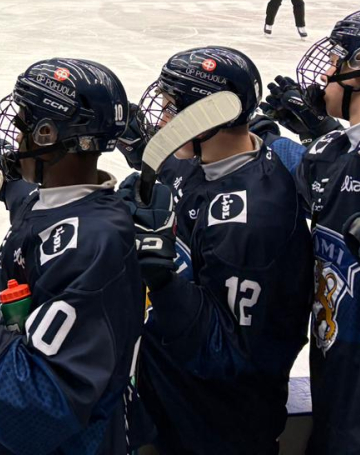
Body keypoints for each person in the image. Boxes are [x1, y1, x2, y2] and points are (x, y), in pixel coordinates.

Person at [0, 59, 143, 455]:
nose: (15, 137)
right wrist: (7, 183)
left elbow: (36, 408)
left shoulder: (91, 247)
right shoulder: (64, 206)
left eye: (22, 125)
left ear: (48, 135)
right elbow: (37, 215)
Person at [121, 47, 312, 455]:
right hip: (171, 409)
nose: (164, 120)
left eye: (174, 108)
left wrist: (163, 280)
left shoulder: (257, 218)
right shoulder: (198, 161)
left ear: (210, 115)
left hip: (217, 431)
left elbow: (230, 356)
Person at [263, 11, 360, 454]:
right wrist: (265, 134)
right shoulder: (335, 150)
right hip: (335, 381)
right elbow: (305, 174)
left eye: (336, 61)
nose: (325, 73)